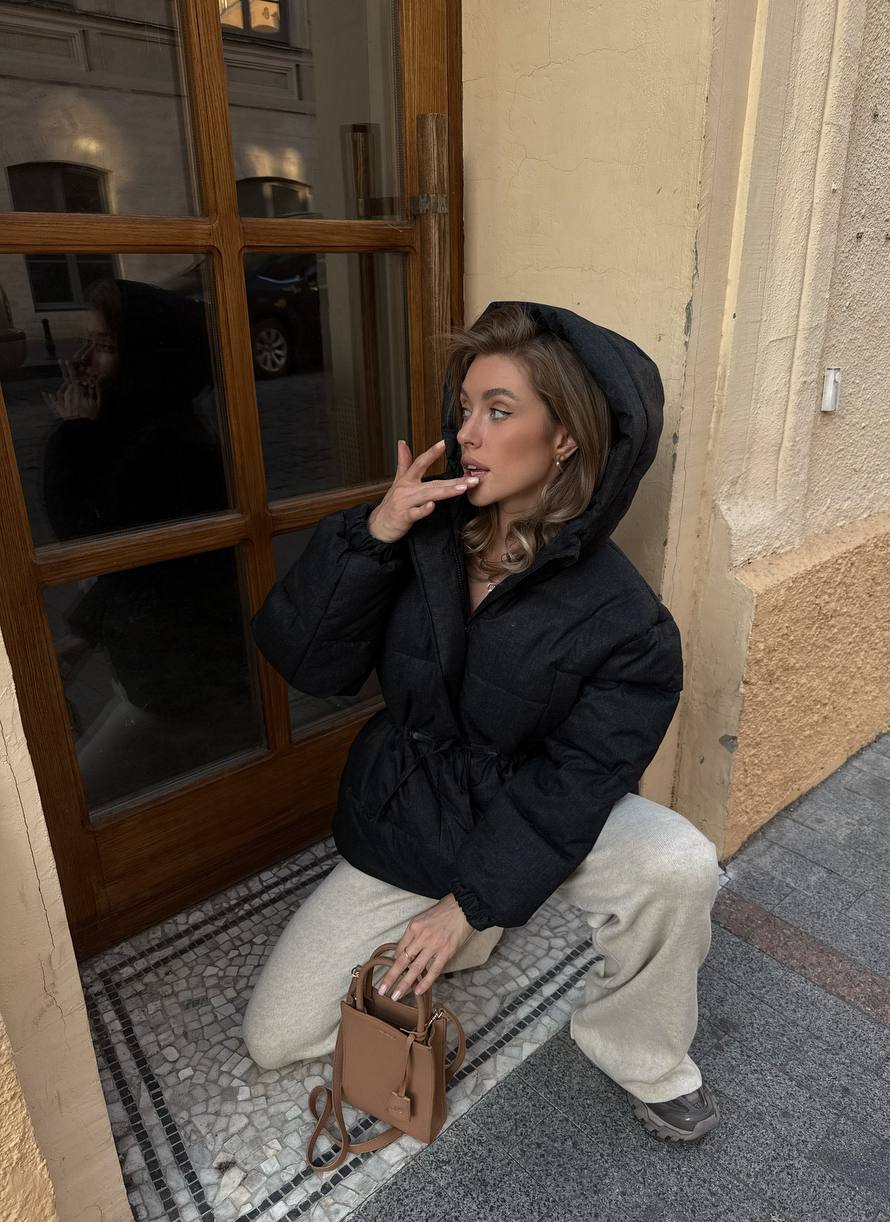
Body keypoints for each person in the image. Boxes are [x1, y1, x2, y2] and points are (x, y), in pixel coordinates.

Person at [242, 301, 721, 1143]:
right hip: (420, 809)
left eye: (499, 411)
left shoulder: (627, 621)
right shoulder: (420, 538)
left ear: (564, 437)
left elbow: (577, 781)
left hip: (535, 808)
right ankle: (475, 928)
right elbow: (310, 664)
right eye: (465, 408)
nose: (467, 432)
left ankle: (640, 1051)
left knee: (678, 864)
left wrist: (467, 904)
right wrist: (376, 532)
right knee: (276, 1037)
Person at [42, 278, 258, 809]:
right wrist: (84, 634)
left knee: (77, 803)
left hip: (182, 689)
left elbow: (85, 542)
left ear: (144, 359)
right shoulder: (144, 431)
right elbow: (144, 567)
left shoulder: (166, 445)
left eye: (104, 346)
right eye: (86, 342)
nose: (84, 361)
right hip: (159, 676)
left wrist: (74, 434)